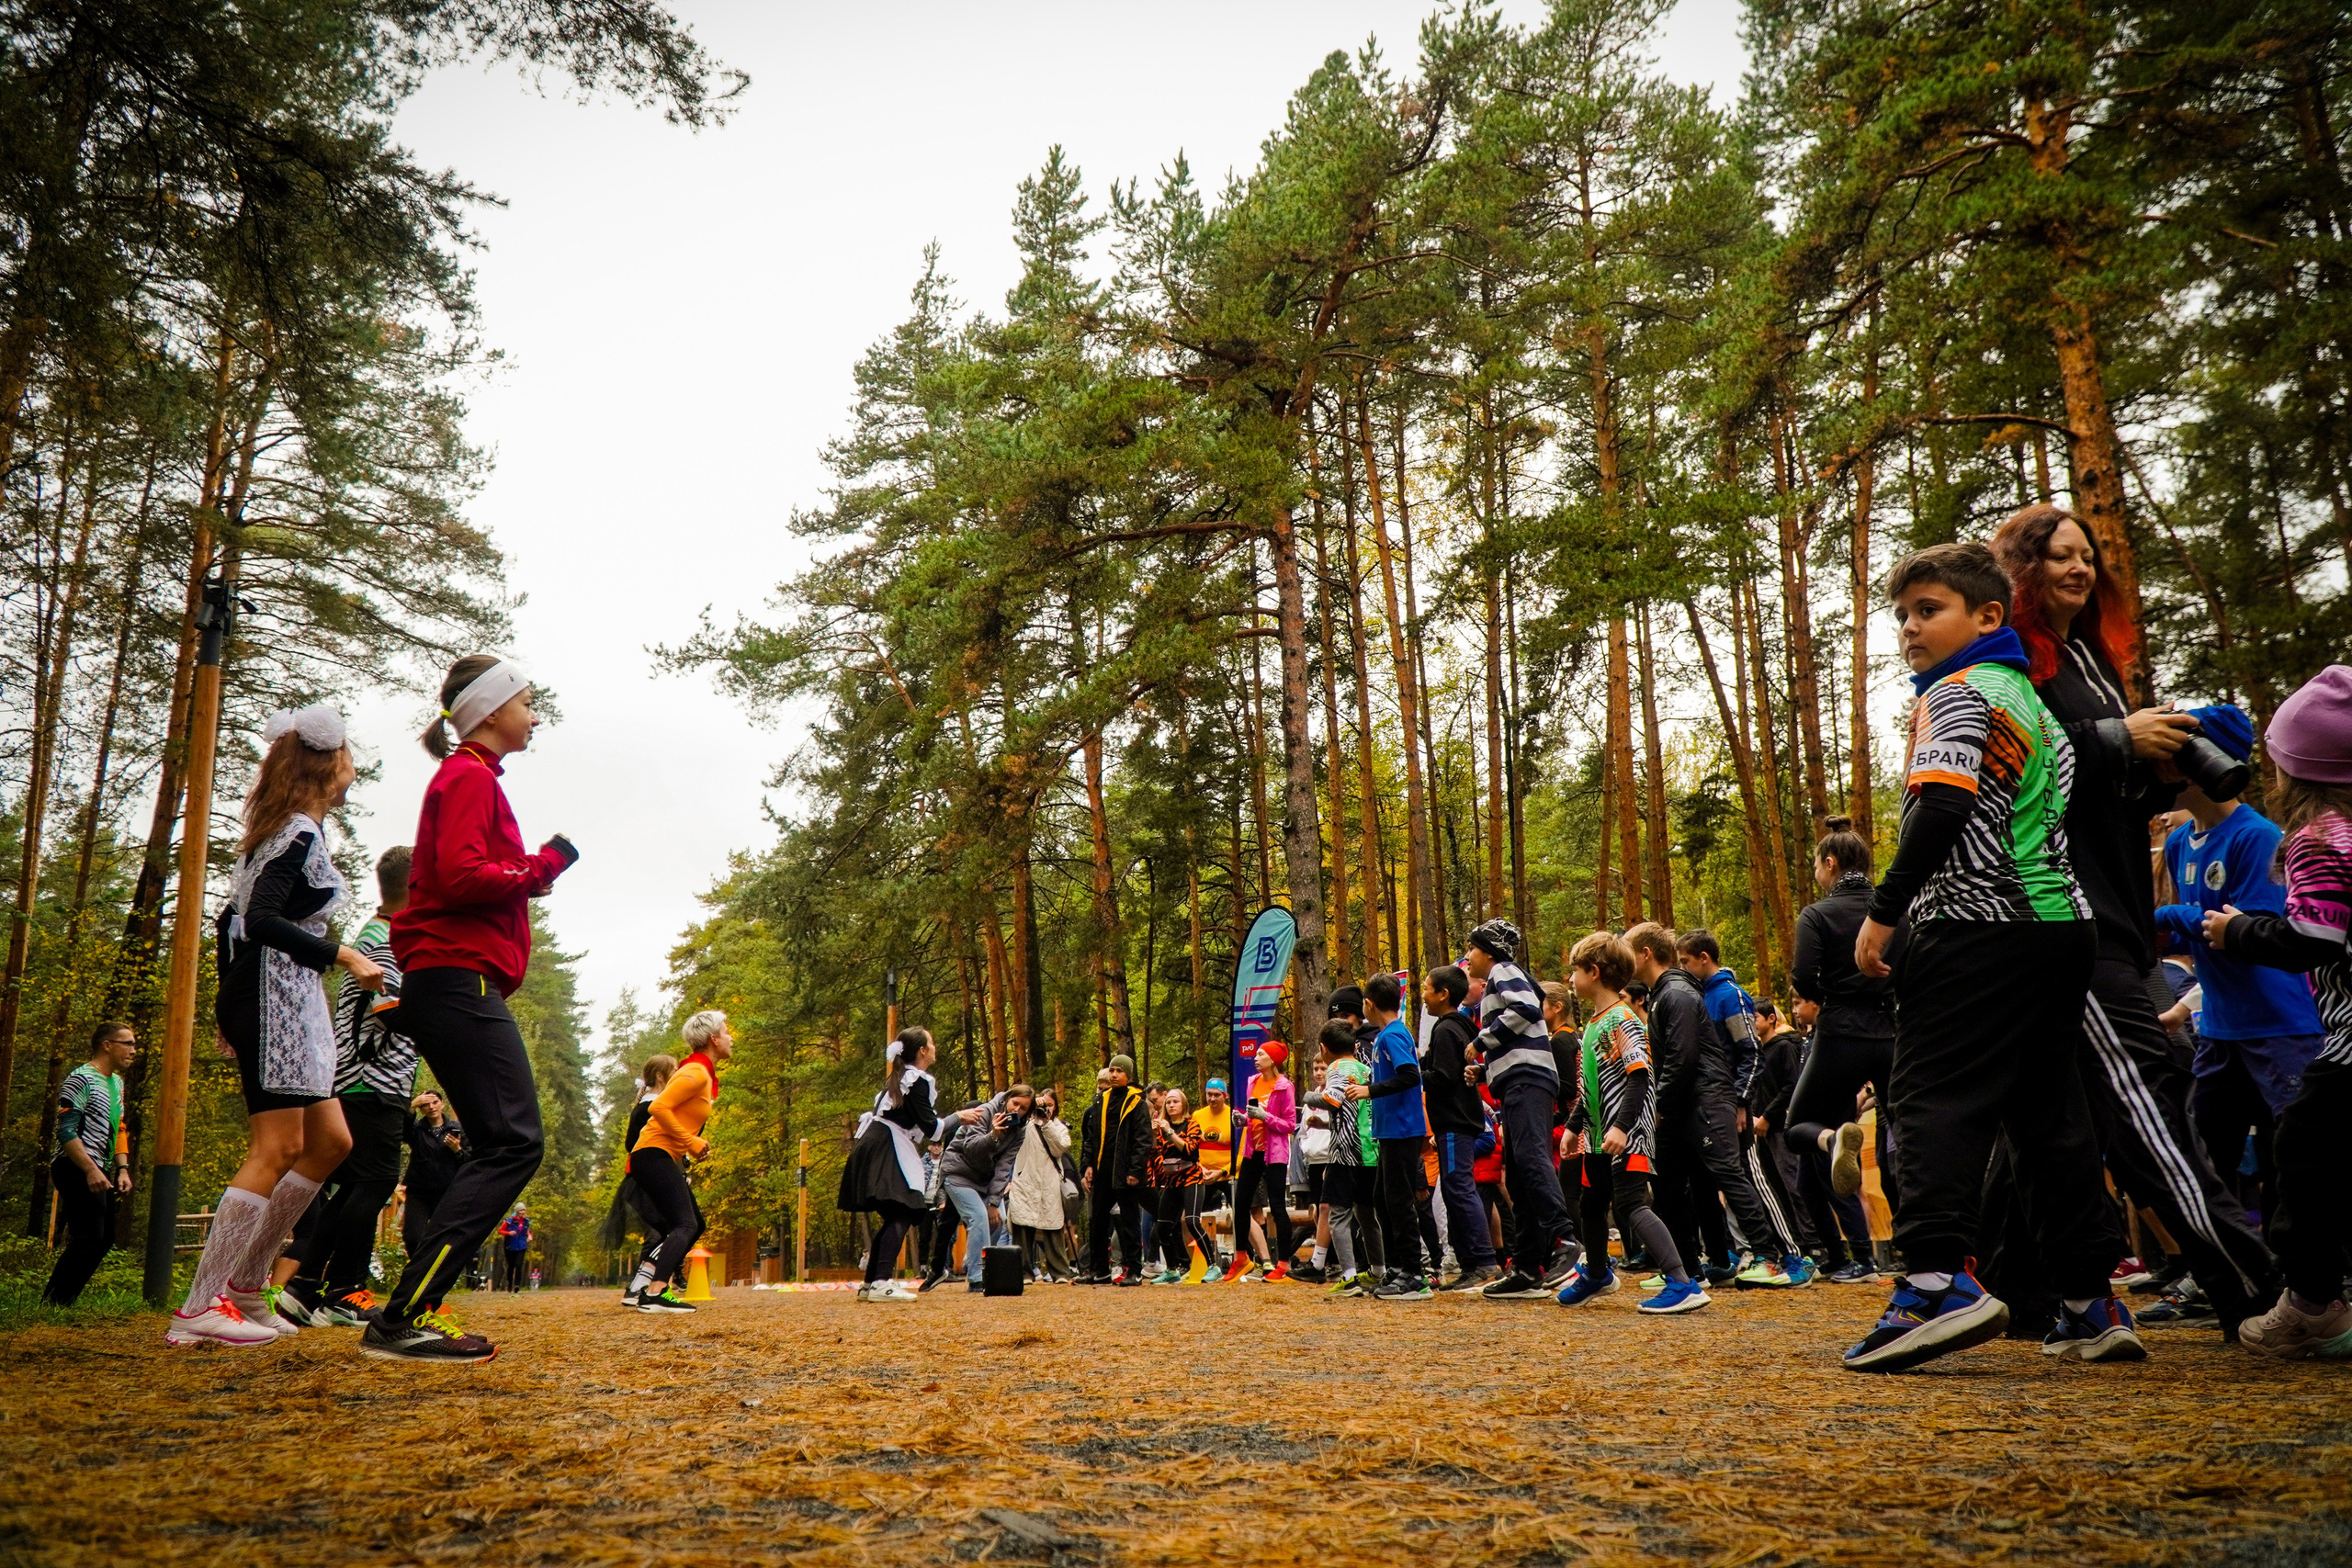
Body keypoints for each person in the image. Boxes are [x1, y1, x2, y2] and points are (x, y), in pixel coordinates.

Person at [1841, 541, 2136, 1372]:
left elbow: (1940, 806)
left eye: (1927, 610)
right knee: (2050, 1115)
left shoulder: (1960, 694)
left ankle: (1937, 1281)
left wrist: (1885, 913)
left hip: (1976, 923)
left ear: (1988, 618)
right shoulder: (2037, 706)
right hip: (2060, 928)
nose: (1909, 629)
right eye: (1902, 614)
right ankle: (2088, 1299)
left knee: (1931, 1094)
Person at [1989, 504, 2276, 1340]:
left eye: (2088, 556)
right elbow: (2022, 765)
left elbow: (2103, 794)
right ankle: (2255, 1286)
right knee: (2144, 1097)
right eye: (2059, 557)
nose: (2079, 569)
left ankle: (2021, 1292)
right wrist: (2118, 735)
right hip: (2058, 909)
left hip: (2114, 905)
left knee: (2049, 1111)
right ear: (2022, 570)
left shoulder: (2092, 657)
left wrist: (2166, 760)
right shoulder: (2016, 660)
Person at [365, 657, 578, 1363]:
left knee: (500, 1141)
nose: (535, 715)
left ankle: (409, 1311)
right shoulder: (466, 778)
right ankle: (403, 1317)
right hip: (459, 980)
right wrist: (541, 865)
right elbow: (457, 877)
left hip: (454, 979)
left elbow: (466, 874)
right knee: (515, 1141)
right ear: (490, 711)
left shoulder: (471, 779)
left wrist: (521, 879)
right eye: (527, 701)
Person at [171, 705, 378, 1348]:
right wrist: (342, 953)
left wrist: (223, 1000)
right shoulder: (295, 832)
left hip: (284, 996)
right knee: (278, 1147)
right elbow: (257, 919)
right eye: (348, 758)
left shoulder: (293, 830)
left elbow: (229, 918)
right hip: (272, 995)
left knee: (331, 1141)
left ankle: (248, 1284)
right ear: (326, 765)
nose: (353, 769)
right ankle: (199, 1304)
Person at [2199, 666, 2352, 1354]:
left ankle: (2313, 1303)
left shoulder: (2321, 838)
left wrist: (2237, 930)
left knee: (2304, 1148)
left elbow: (2313, 937)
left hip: (2348, 1045)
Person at [2153, 705, 2326, 1237]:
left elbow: (2252, 931)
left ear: (2199, 765)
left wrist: (2160, 917)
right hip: (2221, 1031)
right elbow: (2192, 932)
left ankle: (2301, 1272)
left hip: (2280, 1026)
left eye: (2168, 758)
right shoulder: (2182, 842)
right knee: (2209, 1150)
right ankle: (2227, 1259)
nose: (2156, 771)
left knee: (2289, 1151)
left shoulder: (2257, 836)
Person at [281, 846, 418, 1328]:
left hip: (368, 1080)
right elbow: (392, 1009)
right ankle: (335, 1287)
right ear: (416, 884)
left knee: (363, 1184)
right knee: (373, 1182)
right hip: (371, 1081)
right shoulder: (386, 940)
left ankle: (314, 1288)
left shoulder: (382, 935)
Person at [1555, 931, 1705, 1314]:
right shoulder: (1593, 1025)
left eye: (1575, 971)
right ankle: (1598, 1273)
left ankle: (1682, 1282)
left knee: (1632, 1204)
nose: (1570, 979)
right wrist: (1575, 1126)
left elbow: (1640, 1076)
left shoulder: (1622, 1020)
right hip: (1597, 1137)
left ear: (1594, 971)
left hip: (1628, 1134)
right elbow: (1589, 1085)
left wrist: (1623, 1126)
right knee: (1592, 1205)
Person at [1784, 821, 1900, 1258]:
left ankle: (1832, 1141)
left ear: (1830, 864)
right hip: (1891, 1032)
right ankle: (1928, 1253)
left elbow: (1802, 977)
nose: (1816, 873)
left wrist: (1828, 999)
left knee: (1798, 1127)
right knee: (1904, 1141)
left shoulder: (1817, 915)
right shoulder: (1894, 909)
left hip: (1839, 1034)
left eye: (1816, 865)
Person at [1674, 931, 1805, 1288]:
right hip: (1709, 1105)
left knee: (1751, 1178)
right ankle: (1720, 1259)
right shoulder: (1698, 996)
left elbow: (1749, 1051)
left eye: (1685, 961)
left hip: (1730, 1105)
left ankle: (1794, 1257)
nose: (1682, 968)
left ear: (1704, 957)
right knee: (1709, 1182)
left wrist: (1740, 1102)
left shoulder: (1730, 996)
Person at [1458, 919, 1577, 1298]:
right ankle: (1527, 1267)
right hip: (1519, 1081)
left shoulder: (1502, 971)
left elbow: (1527, 1009)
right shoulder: (1501, 975)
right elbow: (1520, 1036)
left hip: (1528, 1082)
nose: (1467, 956)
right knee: (1519, 1174)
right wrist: (1484, 1070)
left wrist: (1482, 1041)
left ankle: (1566, 1240)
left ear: (1489, 952)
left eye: (1471, 949)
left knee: (1530, 1159)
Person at [842, 1027, 987, 1302]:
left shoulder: (900, 1079)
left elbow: (920, 1128)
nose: (934, 1046)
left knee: (898, 1212)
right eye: (930, 1042)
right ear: (922, 1051)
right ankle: (881, 1282)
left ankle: (872, 1283)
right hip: (887, 1146)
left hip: (877, 1143)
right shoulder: (916, 1079)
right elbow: (932, 1130)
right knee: (903, 1210)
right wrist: (959, 1117)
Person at [1628, 924, 1731, 1286]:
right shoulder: (1662, 993)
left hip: (1691, 1103)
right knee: (1672, 1187)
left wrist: (1657, 1104)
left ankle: (1770, 1254)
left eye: (1629, 950)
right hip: (1679, 1104)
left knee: (1712, 1182)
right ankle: (1688, 1268)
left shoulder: (1675, 993)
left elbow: (1682, 1057)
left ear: (1644, 953)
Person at [626, 1010, 731, 1311]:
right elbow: (659, 1108)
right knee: (684, 1223)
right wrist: (691, 1142)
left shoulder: (701, 1073)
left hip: (659, 1155)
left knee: (693, 1224)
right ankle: (656, 1291)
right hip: (652, 1154)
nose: (730, 1037)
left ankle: (649, 1286)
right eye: (726, 1032)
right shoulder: (695, 1072)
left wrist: (689, 1144)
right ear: (713, 1039)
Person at [43, 1022, 137, 1306]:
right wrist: (90, 1169)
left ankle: (62, 1302)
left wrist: (121, 1168)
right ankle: (53, 1303)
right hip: (74, 1166)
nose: (133, 1050)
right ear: (107, 1045)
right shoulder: (81, 1079)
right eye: (127, 1043)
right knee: (88, 1237)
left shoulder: (117, 1083)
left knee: (105, 1238)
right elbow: (66, 1130)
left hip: (100, 1168)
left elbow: (119, 1129)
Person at [1350, 973, 1431, 1300]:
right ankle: (1397, 1266)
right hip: (1388, 1130)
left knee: (1399, 1201)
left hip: (1402, 1128)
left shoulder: (1394, 1035)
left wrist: (1369, 1089)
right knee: (1383, 1199)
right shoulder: (1386, 1035)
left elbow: (1411, 1075)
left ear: (1369, 1004)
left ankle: (1415, 1274)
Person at [1422, 965, 1499, 1292]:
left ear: (1443, 994)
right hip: (1457, 1123)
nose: (1422, 994)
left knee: (1459, 1189)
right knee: (1457, 1191)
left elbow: (1443, 1076)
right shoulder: (1457, 1028)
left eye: (1427, 988)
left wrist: (1412, 1078)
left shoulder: (1446, 1030)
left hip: (1455, 1124)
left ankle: (1482, 1262)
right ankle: (1473, 1263)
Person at [941, 1082, 1035, 1292]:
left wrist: (994, 1202)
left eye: (1023, 1109)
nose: (1016, 1110)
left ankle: (972, 1261)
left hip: (984, 1179)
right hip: (958, 1172)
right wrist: (993, 1135)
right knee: (978, 1217)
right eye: (1015, 1104)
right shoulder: (984, 1112)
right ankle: (976, 1277)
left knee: (997, 1222)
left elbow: (1004, 1168)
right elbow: (970, 1147)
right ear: (1007, 1099)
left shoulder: (1019, 1132)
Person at [1313, 1018, 1382, 1295]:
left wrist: (1307, 1097)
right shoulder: (1366, 1069)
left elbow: (1332, 1099)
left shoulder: (1336, 1068)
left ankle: (1350, 1277)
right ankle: (1378, 1270)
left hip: (1344, 1153)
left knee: (1338, 1215)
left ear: (1324, 1048)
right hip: (1370, 1153)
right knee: (1367, 1214)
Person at [603, 1055, 674, 1303]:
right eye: (673, 1071)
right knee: (667, 1231)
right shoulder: (648, 1109)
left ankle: (640, 1287)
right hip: (645, 1179)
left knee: (666, 1231)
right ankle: (640, 1288)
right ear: (660, 1077)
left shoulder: (655, 1106)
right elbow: (631, 1144)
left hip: (652, 1177)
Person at [1079, 1054, 1150, 1285]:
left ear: (1128, 1076)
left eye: (1120, 1071)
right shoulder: (1101, 1101)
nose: (1114, 1074)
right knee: (1097, 1220)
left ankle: (1133, 1271)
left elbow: (1143, 1140)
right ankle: (1099, 1269)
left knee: (1129, 1221)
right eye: (1112, 1070)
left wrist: (1135, 1171)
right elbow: (1089, 1138)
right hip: (1101, 1171)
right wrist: (1087, 1166)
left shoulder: (1137, 1103)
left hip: (1125, 1172)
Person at [1234, 1043, 1298, 1280]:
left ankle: (1282, 1263)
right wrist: (1242, 1119)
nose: (1256, 1058)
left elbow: (1290, 1124)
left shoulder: (1284, 1087)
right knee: (1240, 1202)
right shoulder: (1253, 1081)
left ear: (1273, 1060)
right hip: (1253, 1152)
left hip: (1275, 1154)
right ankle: (1241, 1257)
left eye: (1261, 1054)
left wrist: (1265, 1116)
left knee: (1277, 1208)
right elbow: (1252, 1117)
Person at [1008, 1088, 1077, 1283]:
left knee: (1053, 1225)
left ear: (1055, 1107)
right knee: (1022, 1225)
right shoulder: (1024, 1123)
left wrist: (1046, 1123)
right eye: (1041, 1104)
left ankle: (1060, 1272)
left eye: (1049, 1105)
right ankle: (1023, 1272)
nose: (1045, 1108)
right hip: (1025, 1179)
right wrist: (1029, 1110)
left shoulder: (1058, 1127)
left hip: (1049, 1181)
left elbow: (1059, 1149)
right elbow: (1009, 1127)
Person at [1148, 1088, 1214, 1282]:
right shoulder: (1160, 1128)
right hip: (1171, 1180)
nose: (1171, 1105)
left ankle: (1212, 1266)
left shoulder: (1192, 1124)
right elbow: (1155, 1154)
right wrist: (1153, 1135)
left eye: (1175, 1101)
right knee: (1163, 1227)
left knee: (1192, 1221)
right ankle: (1172, 1269)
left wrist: (1169, 1131)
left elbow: (1189, 1150)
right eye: (1168, 1102)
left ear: (1183, 1104)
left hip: (1192, 1178)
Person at [401, 1090, 466, 1264]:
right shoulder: (417, 1130)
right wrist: (412, 1106)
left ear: (442, 1104)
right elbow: (403, 1131)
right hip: (419, 1192)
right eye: (425, 1105)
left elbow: (471, 1162)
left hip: (447, 1191)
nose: (431, 1107)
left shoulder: (457, 1130)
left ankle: (438, 1272)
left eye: (434, 1102)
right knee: (413, 1236)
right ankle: (419, 1269)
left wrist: (457, 1151)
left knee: (444, 1236)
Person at [1189, 1077, 1242, 1280]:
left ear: (1225, 1096)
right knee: (1191, 1216)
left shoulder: (1232, 1115)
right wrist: (1200, 1169)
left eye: (1216, 1095)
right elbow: (1192, 1146)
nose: (1212, 1099)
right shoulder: (1197, 1115)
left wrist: (1222, 1172)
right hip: (1203, 1173)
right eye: (1209, 1094)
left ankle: (1251, 1257)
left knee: (1241, 1213)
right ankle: (1198, 1261)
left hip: (1227, 1174)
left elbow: (1240, 1152)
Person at [498, 1206, 531, 1292]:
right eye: (521, 1210)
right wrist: (509, 1233)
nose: (523, 1212)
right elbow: (500, 1231)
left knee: (519, 1265)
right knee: (511, 1266)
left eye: (524, 1210)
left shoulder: (526, 1221)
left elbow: (526, 1230)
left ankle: (517, 1285)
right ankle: (510, 1283)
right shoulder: (509, 1221)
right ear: (517, 1211)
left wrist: (529, 1236)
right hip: (510, 1246)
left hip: (522, 1246)